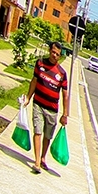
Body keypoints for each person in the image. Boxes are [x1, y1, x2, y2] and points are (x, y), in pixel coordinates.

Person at [28, 42, 70, 174]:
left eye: (57, 54)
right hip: (38, 104)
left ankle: (43, 157)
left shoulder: (62, 73)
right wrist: (28, 98)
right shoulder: (40, 64)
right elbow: (34, 81)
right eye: (53, 52)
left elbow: (65, 95)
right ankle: (36, 162)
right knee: (38, 131)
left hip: (52, 109)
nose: (54, 55)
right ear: (49, 51)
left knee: (47, 135)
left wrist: (65, 114)